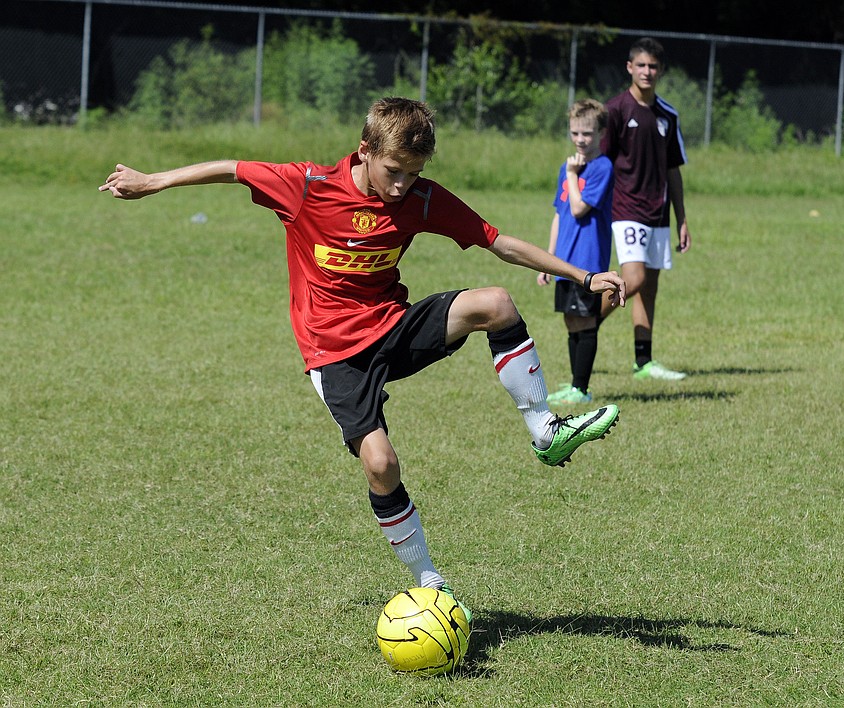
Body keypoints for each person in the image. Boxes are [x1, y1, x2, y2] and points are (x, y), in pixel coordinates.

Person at [99, 97, 625, 622]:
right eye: (394, 171)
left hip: (390, 326)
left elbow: (497, 242)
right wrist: (153, 181)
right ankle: (430, 583)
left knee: (496, 303)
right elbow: (233, 168)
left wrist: (583, 275)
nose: (402, 185)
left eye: (414, 174)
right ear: (365, 150)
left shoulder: (418, 198)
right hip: (333, 354)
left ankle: (545, 430)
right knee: (380, 464)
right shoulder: (308, 186)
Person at [600, 36, 692, 381]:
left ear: (660, 70)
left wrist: (681, 218)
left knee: (649, 287)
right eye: (641, 65)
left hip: (659, 212)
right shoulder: (616, 110)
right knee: (633, 279)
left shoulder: (668, 114)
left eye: (653, 66)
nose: (647, 71)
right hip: (626, 209)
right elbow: (602, 163)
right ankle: (585, 326)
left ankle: (644, 362)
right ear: (629, 68)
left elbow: (673, 170)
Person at [538, 98, 614, 405]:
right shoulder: (566, 168)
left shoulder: (601, 167)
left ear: (601, 133)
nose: (581, 140)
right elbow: (560, 214)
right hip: (565, 259)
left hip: (587, 260)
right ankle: (575, 385)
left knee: (585, 320)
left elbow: (580, 208)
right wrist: (548, 259)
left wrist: (572, 174)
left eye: (587, 133)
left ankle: (581, 388)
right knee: (571, 320)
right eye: (575, 133)